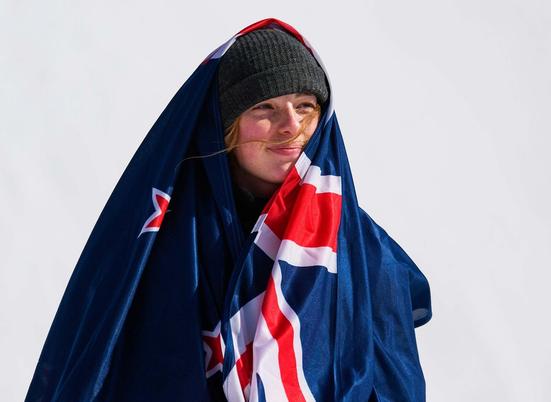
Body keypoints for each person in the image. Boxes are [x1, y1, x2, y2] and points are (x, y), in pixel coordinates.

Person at [26, 19, 431, 402]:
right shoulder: (158, 240)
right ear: (225, 124)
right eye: (265, 108)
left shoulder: (365, 257)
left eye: (305, 106)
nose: (291, 126)